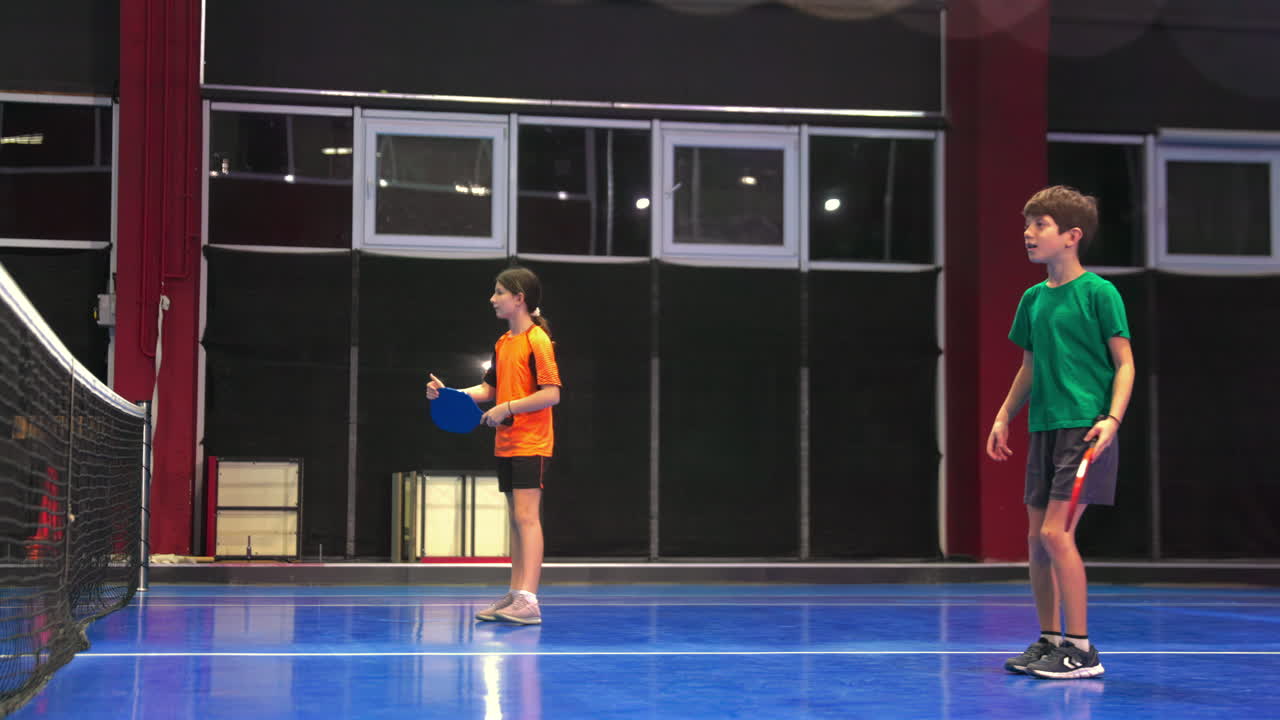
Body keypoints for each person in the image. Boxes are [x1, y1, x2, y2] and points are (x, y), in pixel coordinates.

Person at [987, 186, 1134, 679]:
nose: (1028, 234)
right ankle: (1051, 640)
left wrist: (1111, 419)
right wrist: (1005, 414)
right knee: (1035, 539)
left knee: (1056, 532)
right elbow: (1029, 366)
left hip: (1085, 428)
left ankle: (1082, 648)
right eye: (1027, 225)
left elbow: (1125, 363)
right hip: (1045, 427)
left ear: (1071, 236)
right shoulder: (1032, 299)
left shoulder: (1099, 293)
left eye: (1040, 225)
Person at [426, 266, 561, 625]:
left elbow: (551, 394)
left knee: (527, 518)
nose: (493, 298)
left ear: (519, 299)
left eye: (500, 292)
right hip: (507, 443)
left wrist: (508, 408)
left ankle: (529, 601)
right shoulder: (503, 344)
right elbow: (489, 391)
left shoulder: (538, 341)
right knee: (516, 522)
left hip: (532, 442)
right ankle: (517, 593)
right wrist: (448, 395)